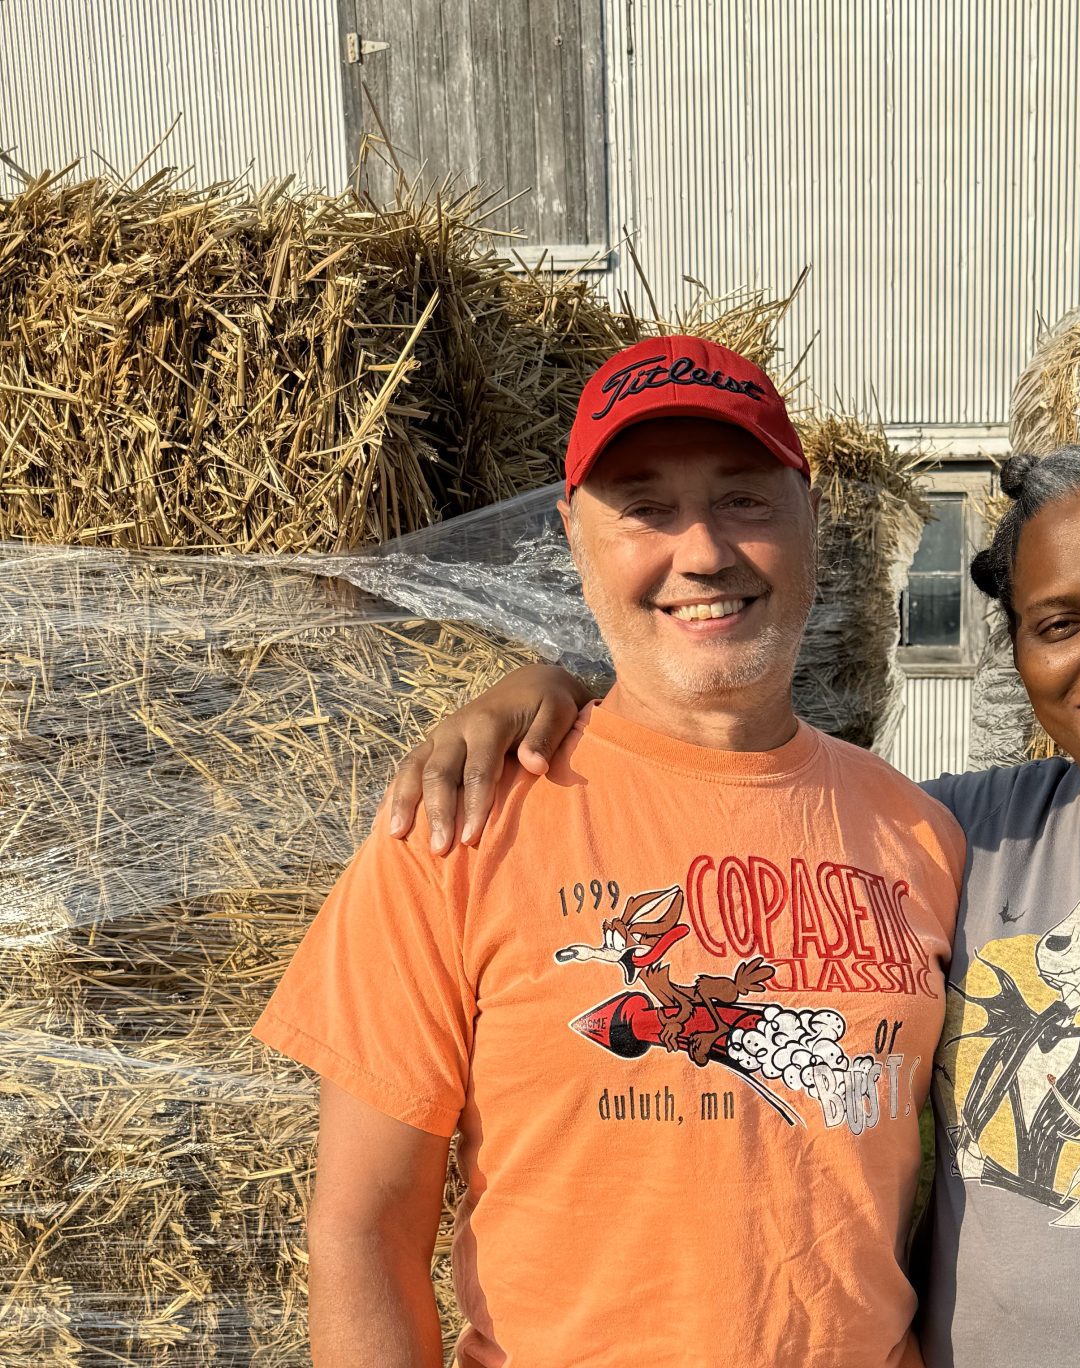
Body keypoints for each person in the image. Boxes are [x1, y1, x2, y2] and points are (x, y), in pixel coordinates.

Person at [391, 435, 1080, 1367]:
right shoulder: (945, 836)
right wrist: (554, 692)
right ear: (1017, 650)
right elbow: (728, 774)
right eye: (1060, 622)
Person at [253, 336, 965, 1368]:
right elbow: (365, 1229)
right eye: (645, 507)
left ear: (811, 519)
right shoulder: (460, 826)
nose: (705, 551)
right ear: (572, 538)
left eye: (746, 500)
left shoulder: (922, 835)